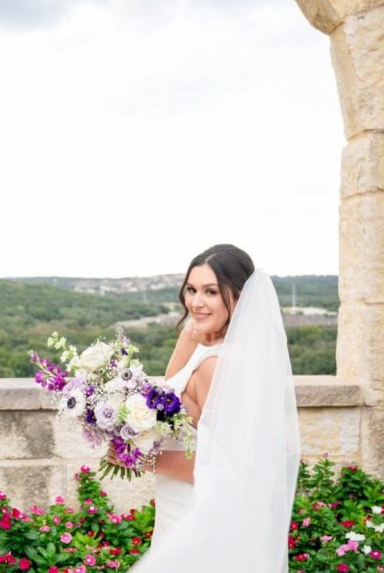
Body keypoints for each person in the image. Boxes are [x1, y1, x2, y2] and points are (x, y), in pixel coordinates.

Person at [108, 244, 301, 572]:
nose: (196, 302)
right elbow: (172, 391)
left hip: (197, 509)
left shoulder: (218, 366)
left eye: (210, 292)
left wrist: (143, 459)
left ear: (239, 298)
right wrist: (189, 336)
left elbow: (226, 465)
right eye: (191, 290)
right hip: (178, 504)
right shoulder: (215, 350)